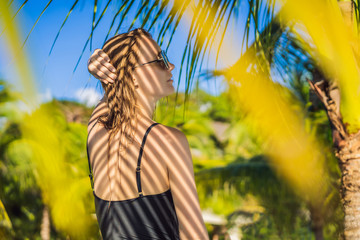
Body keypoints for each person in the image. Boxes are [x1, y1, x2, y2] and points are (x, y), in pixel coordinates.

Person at [86, 28, 209, 240]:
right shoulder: (168, 141)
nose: (170, 66)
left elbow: (108, 101)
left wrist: (101, 71)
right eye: (159, 60)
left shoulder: (95, 133)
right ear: (132, 76)